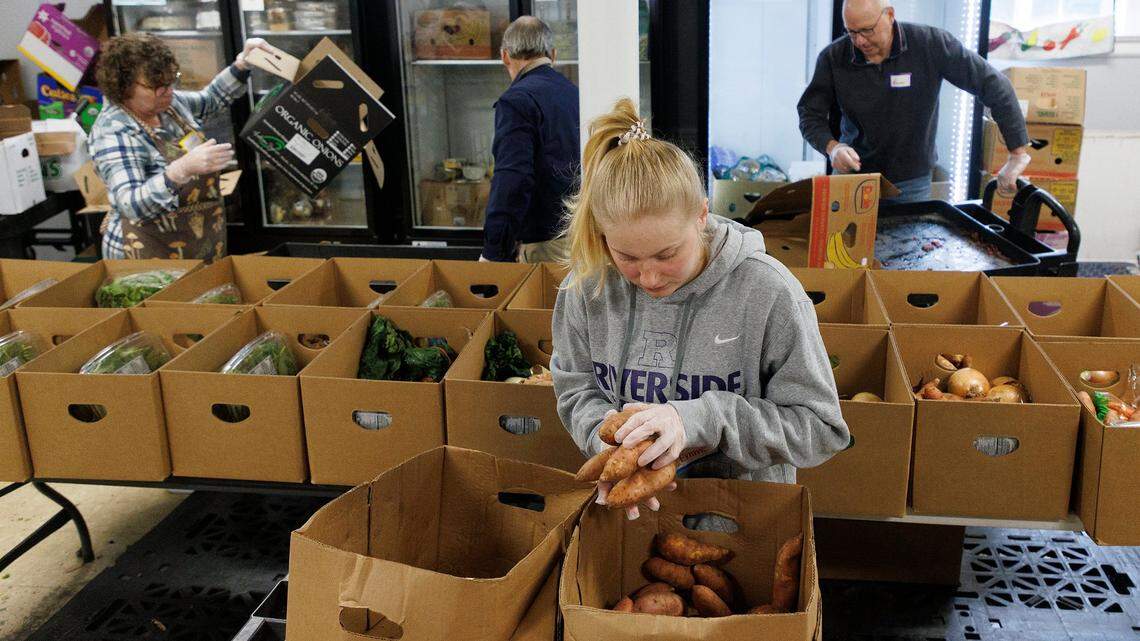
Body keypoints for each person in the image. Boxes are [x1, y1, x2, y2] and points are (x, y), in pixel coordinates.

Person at [551, 98, 850, 520]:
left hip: (740, 525)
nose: (650, 277)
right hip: (628, 517)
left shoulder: (768, 293)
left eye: (666, 254)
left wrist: (698, 418)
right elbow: (576, 388)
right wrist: (611, 441)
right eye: (627, 258)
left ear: (701, 216)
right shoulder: (586, 289)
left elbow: (821, 429)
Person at [798, 0, 1031, 203]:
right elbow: (810, 113)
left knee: (907, 249)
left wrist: (1017, 153)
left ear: (889, 15)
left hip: (910, 182)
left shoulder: (930, 44)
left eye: (867, 30)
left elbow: (994, 85)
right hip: (854, 177)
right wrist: (833, 147)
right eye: (852, 32)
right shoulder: (833, 57)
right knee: (844, 250)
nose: (859, 41)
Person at [90, 33, 272, 260]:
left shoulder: (169, 106)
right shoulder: (114, 131)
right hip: (143, 257)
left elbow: (211, 99)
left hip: (196, 246)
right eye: (157, 86)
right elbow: (131, 204)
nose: (168, 91)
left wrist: (242, 64)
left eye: (170, 81)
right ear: (123, 87)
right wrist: (179, 171)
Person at [480, 16, 580, 263]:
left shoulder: (515, 102)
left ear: (504, 56)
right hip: (581, 236)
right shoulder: (574, 94)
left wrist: (494, 251)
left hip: (544, 245)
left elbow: (512, 178)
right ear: (553, 55)